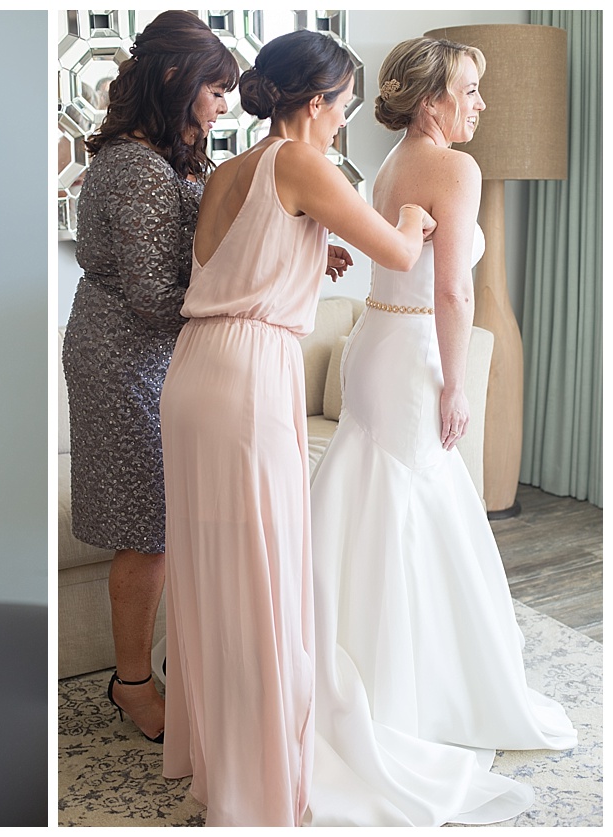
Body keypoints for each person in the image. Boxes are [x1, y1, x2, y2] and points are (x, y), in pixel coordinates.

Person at [157, 30, 434, 826]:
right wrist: (412, 214)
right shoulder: (301, 161)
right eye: (344, 103)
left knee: (215, 573)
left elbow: (238, 262)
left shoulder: (232, 169)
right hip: (249, 377)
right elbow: (398, 251)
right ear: (315, 102)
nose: (345, 119)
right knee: (262, 576)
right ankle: (261, 778)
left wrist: (313, 255)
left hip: (195, 370)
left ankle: (220, 757)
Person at [304, 36, 576, 826]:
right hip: (416, 348)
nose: (481, 105)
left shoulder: (390, 162)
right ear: (433, 101)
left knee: (374, 498)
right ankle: (410, 696)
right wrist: (458, 383)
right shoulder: (454, 169)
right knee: (408, 508)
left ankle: (351, 663)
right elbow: (454, 289)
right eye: (471, 89)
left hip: (374, 345)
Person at [61, 10, 239, 744]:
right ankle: (132, 684)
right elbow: (151, 293)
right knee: (148, 531)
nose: (224, 104)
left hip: (151, 354)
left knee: (160, 522)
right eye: (216, 88)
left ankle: (149, 671)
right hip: (123, 356)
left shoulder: (163, 157)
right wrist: (241, 308)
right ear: (175, 77)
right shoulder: (134, 167)